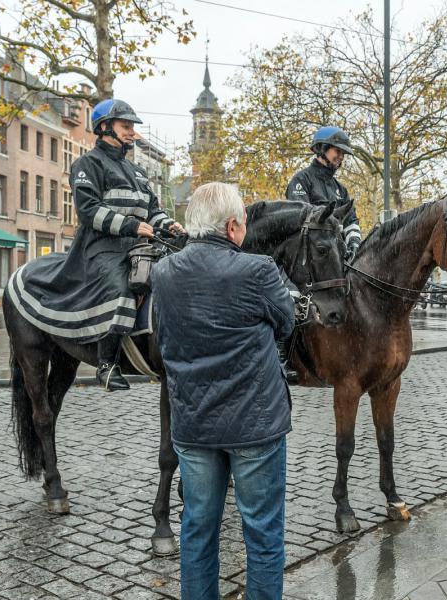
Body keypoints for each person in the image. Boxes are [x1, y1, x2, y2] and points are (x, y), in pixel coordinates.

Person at [150, 182, 295, 600]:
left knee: (197, 531)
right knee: (263, 537)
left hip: (194, 425)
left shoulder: (164, 273)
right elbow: (285, 324)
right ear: (233, 226)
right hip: (255, 425)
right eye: (244, 223)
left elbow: (163, 337)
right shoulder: (258, 270)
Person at [5, 98, 184, 391]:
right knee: (122, 285)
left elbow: (152, 209)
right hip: (101, 247)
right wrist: (129, 225)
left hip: (138, 245)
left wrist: (168, 224)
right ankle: (107, 363)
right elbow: (88, 210)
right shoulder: (86, 164)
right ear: (104, 127)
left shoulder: (137, 172)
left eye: (132, 127)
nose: (132, 132)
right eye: (125, 126)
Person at [286, 126, 361, 260]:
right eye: (338, 151)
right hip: (308, 259)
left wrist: (354, 244)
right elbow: (300, 217)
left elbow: (351, 221)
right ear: (322, 148)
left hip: (337, 256)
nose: (341, 157)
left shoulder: (341, 189)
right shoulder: (301, 180)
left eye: (343, 154)